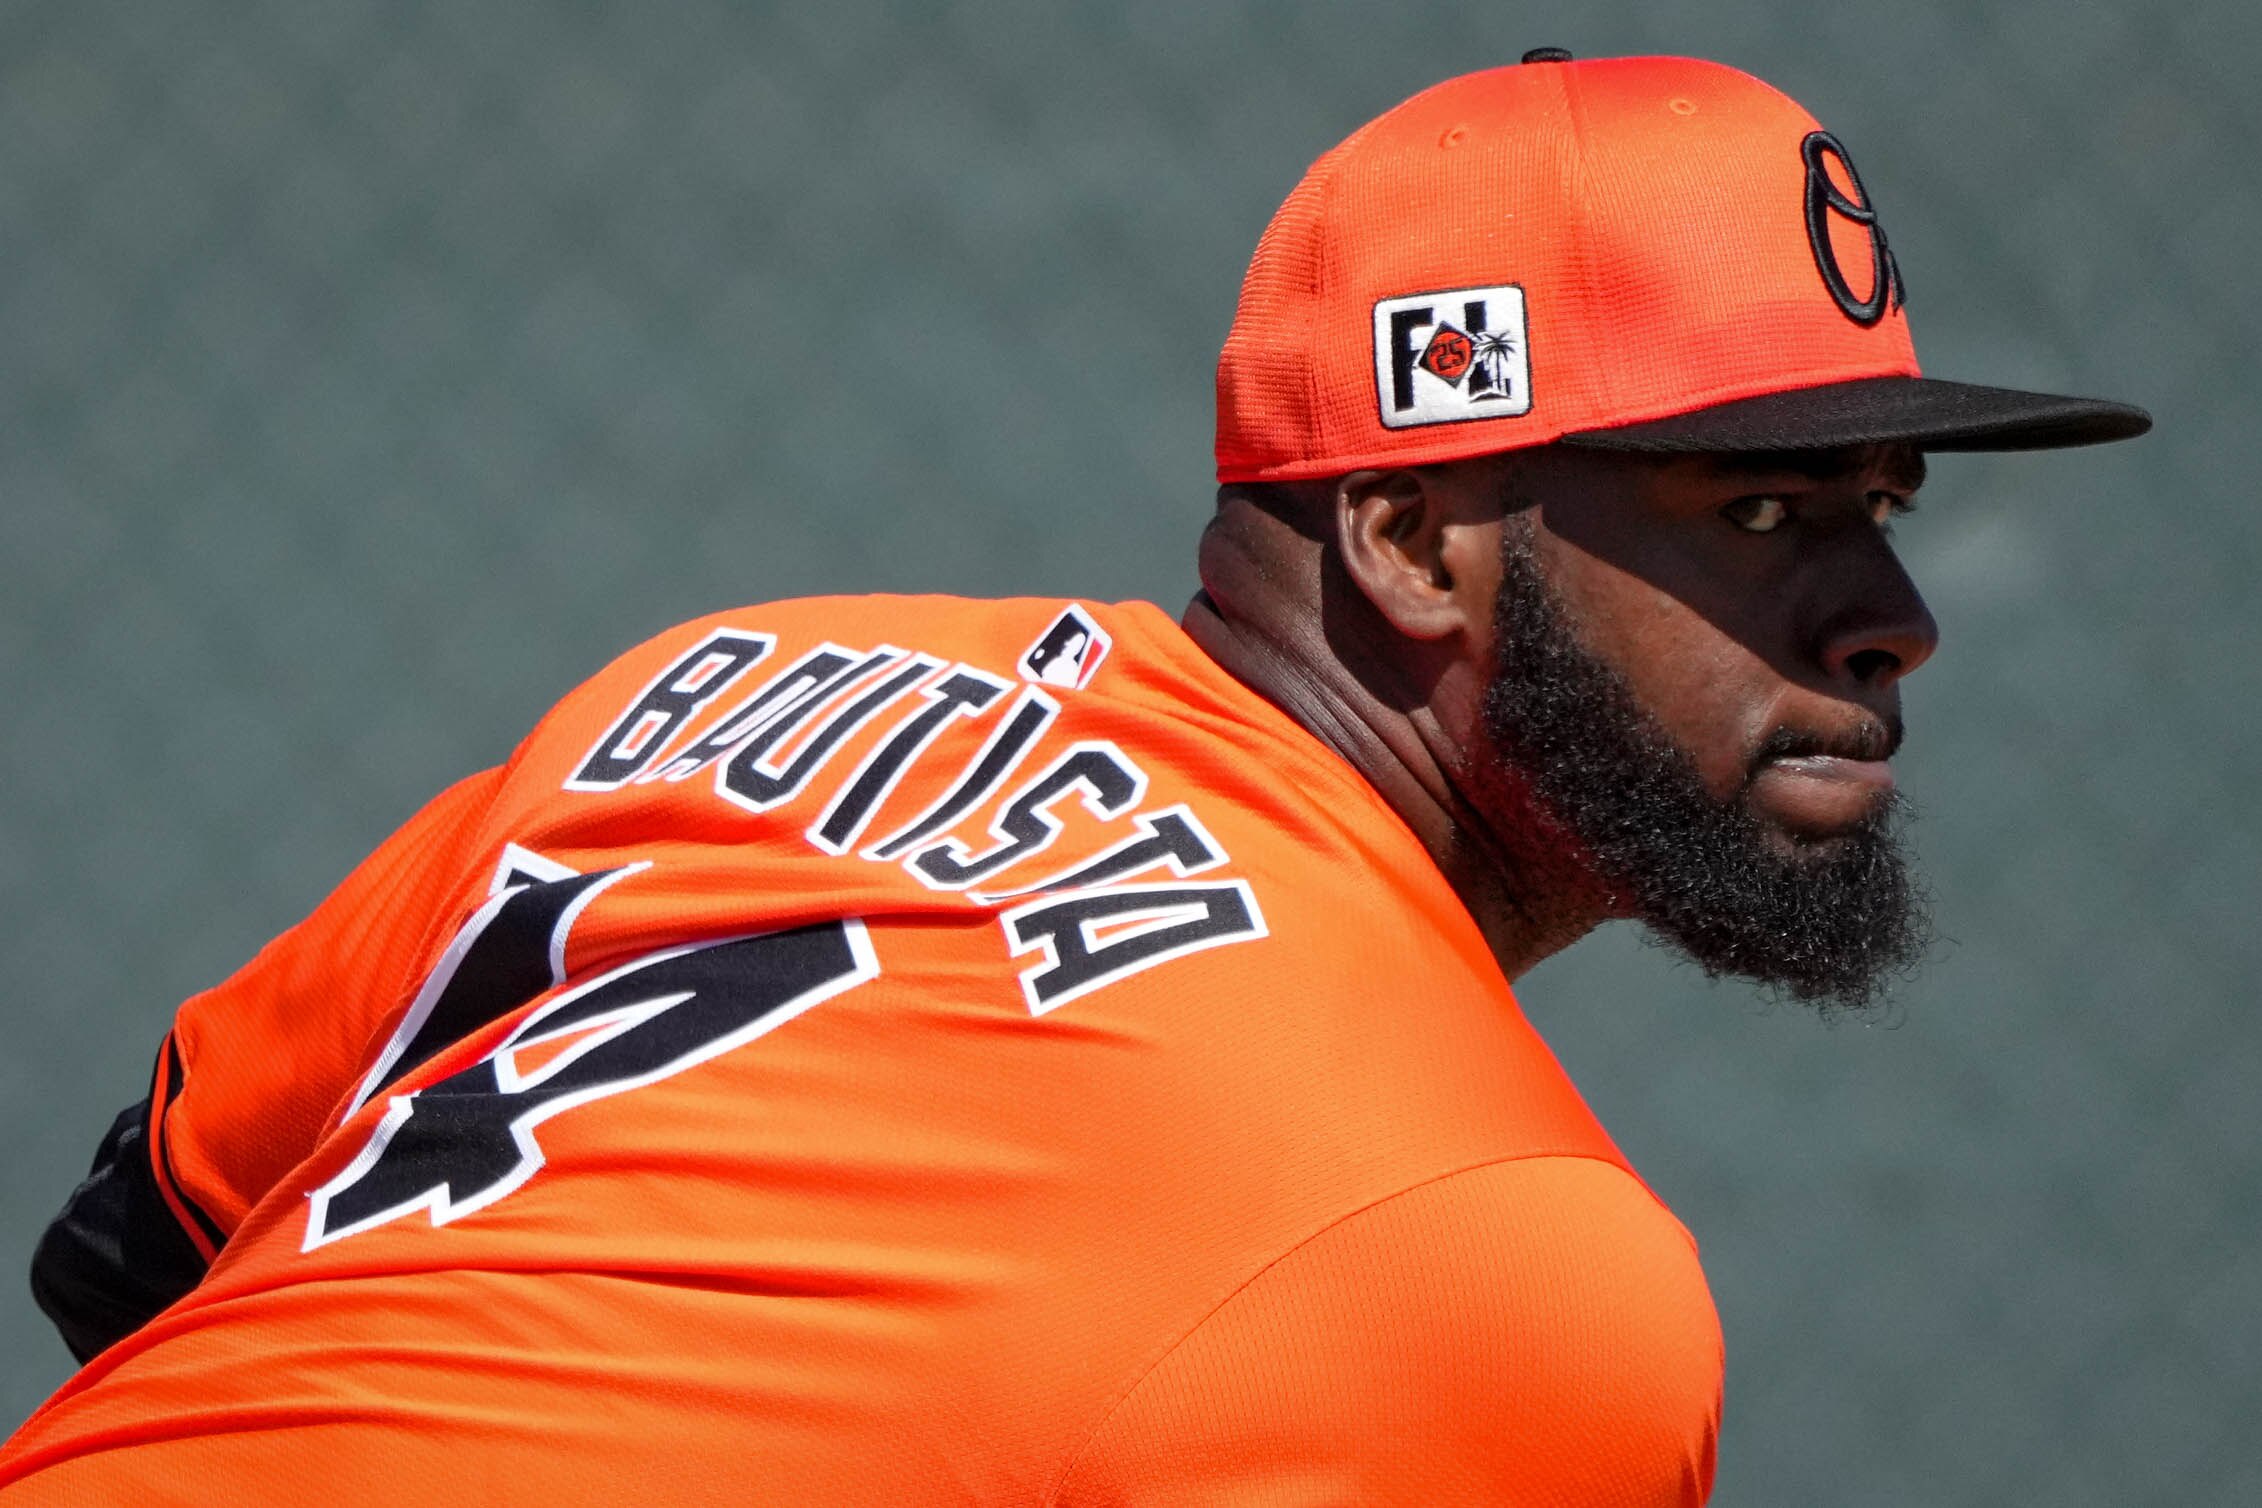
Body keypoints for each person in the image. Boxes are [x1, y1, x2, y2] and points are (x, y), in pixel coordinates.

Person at [2, 51, 2147, 1506]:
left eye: (1886, 500)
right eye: (1763, 514)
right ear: (1410, 538)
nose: (1891, 611)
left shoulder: (739, 681)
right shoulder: (1487, 1263)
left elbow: (145, 1236)